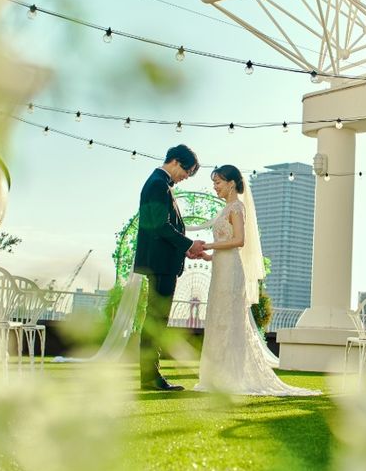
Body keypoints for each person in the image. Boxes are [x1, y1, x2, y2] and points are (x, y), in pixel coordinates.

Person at [193, 165, 320, 396]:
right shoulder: (225, 209)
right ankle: (215, 376)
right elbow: (226, 246)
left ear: (231, 183)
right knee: (218, 319)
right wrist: (208, 256)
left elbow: (239, 241)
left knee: (230, 320)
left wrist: (209, 245)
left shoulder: (237, 208)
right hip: (221, 268)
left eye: (218, 182)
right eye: (214, 183)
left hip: (231, 272)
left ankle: (232, 376)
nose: (215, 187)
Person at [133, 144, 205, 391]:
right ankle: (150, 376)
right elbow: (160, 226)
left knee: (156, 319)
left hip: (161, 261)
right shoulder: (158, 184)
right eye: (187, 171)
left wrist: (185, 248)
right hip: (160, 264)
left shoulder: (160, 183)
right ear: (175, 161)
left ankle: (149, 376)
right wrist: (189, 244)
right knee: (156, 320)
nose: (186, 177)